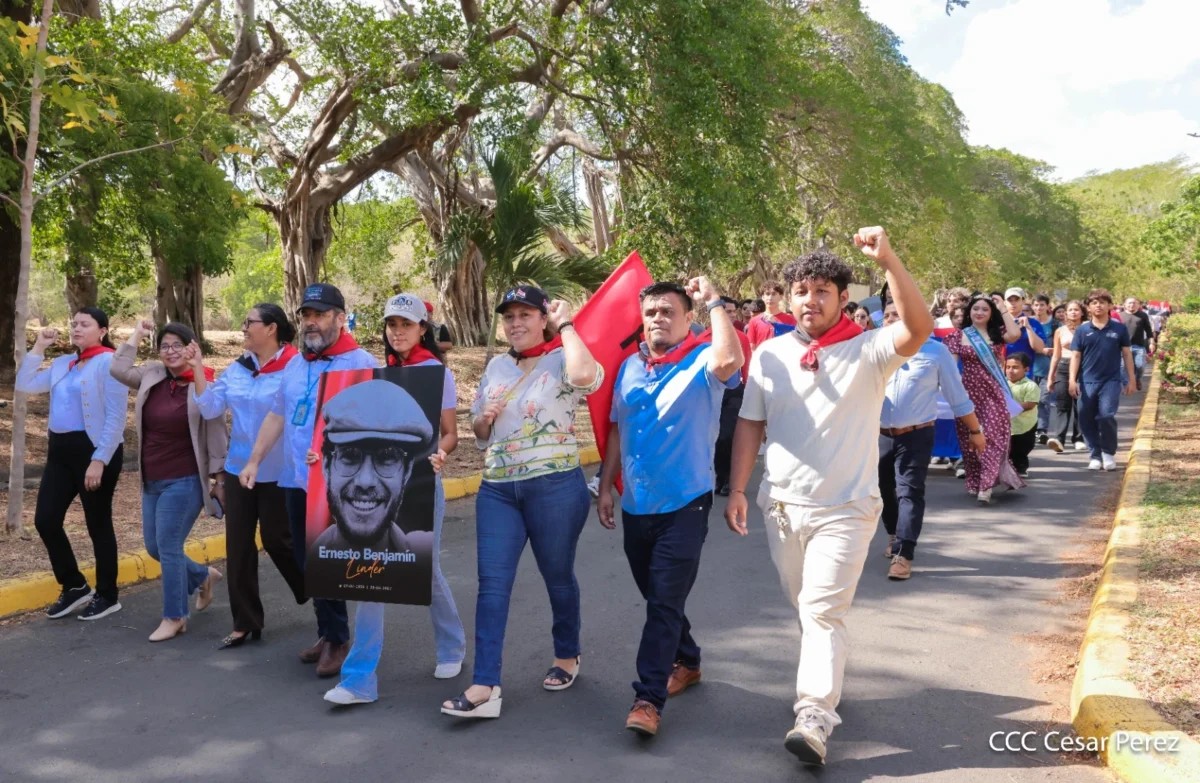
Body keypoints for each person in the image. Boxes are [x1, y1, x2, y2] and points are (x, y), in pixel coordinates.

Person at [724, 227, 932, 766]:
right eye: (801, 290)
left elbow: (917, 325)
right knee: (806, 604)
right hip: (783, 507)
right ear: (788, 298)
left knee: (820, 610)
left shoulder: (870, 349)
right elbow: (751, 424)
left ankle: (813, 715)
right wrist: (740, 490)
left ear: (844, 299)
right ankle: (829, 665)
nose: (809, 300)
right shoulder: (768, 354)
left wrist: (888, 258)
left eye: (822, 290)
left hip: (848, 508)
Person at [441, 286, 602, 720]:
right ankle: (484, 685)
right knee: (491, 585)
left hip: (554, 486)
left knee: (557, 576)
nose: (515, 323)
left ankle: (567, 654)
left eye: (525, 314)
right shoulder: (495, 366)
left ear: (543, 317)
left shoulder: (563, 356)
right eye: (508, 316)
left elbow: (588, 378)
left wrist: (567, 325)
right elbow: (479, 434)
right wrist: (482, 418)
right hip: (498, 489)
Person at [595, 277, 742, 737]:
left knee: (662, 601)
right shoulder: (630, 367)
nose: (658, 319)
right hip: (639, 506)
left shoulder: (702, 359)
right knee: (658, 595)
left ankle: (647, 699)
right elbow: (617, 428)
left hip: (686, 503)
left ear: (687, 318)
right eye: (651, 312)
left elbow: (729, 358)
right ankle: (689, 660)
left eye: (667, 311)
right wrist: (604, 486)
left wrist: (716, 300)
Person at [325, 293, 467, 706]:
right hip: (373, 492)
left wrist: (442, 453)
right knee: (372, 572)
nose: (398, 331)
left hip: (421, 484)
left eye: (406, 324)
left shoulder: (438, 375)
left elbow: (450, 433)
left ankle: (452, 644)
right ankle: (359, 680)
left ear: (423, 328)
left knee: (427, 568)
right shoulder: (376, 374)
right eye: (392, 324)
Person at [240, 282, 378, 678]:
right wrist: (254, 460)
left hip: (337, 483)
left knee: (328, 560)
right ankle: (326, 630)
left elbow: (373, 425)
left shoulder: (361, 362)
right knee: (305, 559)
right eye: (306, 315)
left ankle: (338, 639)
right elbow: (278, 415)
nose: (311, 323)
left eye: (319, 315)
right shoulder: (297, 364)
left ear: (339, 317)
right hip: (296, 479)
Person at [193, 304, 306, 650]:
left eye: (249, 323)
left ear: (271, 328)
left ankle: (313, 587)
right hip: (239, 469)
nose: (243, 328)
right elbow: (211, 408)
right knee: (238, 548)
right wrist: (197, 367)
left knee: (278, 540)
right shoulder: (238, 369)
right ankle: (245, 622)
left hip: (280, 472)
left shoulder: (296, 367)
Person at [110, 320, 227, 642]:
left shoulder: (204, 383)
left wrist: (219, 478)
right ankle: (203, 576)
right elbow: (118, 369)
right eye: (165, 346)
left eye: (178, 345)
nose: (171, 351)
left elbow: (217, 431)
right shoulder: (152, 373)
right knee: (154, 546)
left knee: (170, 547)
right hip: (152, 478)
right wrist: (136, 334)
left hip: (186, 479)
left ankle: (175, 616)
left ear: (192, 347)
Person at [16, 308, 129, 621]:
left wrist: (99, 460)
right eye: (74, 323)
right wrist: (39, 347)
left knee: (97, 523)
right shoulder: (64, 362)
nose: (76, 328)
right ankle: (75, 585)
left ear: (102, 330)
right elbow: (25, 384)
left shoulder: (110, 362)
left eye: (84, 324)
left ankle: (108, 594)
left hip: (94, 451)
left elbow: (116, 417)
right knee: (46, 519)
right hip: (60, 452)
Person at [877, 300, 983, 581]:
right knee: (882, 489)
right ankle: (893, 533)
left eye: (897, 315)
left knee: (909, 492)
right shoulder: (872, 349)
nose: (890, 320)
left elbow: (957, 397)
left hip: (917, 434)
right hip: (878, 435)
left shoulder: (936, 353)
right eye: (886, 316)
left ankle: (903, 553)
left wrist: (975, 430)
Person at [946, 295, 1025, 504]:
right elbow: (951, 368)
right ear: (969, 312)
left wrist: (1003, 308)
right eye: (975, 309)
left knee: (991, 437)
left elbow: (1015, 334)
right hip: (968, 394)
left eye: (985, 310)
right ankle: (975, 479)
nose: (979, 312)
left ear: (991, 314)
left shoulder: (997, 334)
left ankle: (986, 485)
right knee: (969, 439)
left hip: (993, 393)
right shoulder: (958, 336)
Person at [1070, 289, 1135, 472]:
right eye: (1094, 303)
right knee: (1086, 419)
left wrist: (1131, 379)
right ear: (1088, 308)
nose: (1098, 305)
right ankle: (1095, 455)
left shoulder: (1119, 329)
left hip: (1111, 381)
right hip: (1086, 382)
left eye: (1102, 302)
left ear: (1109, 306)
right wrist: (1071, 380)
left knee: (1106, 416)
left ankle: (1108, 452)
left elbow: (1127, 355)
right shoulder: (1082, 330)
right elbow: (1075, 356)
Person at [1046, 300, 1086, 453]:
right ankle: (1059, 439)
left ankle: (1078, 437)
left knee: (1080, 404)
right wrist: (1051, 376)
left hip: (1083, 368)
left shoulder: (1087, 328)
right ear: (1066, 313)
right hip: (1063, 367)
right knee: (1063, 404)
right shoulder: (1060, 331)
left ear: (1082, 312)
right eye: (1070, 310)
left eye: (1076, 310)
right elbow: (1056, 355)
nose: (1073, 312)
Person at [1005, 353, 1040, 478]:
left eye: (1015, 367)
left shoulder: (1030, 385)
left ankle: (1021, 468)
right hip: (1006, 424)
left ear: (1026, 369)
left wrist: (1010, 408)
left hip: (1025, 425)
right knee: (1007, 448)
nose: (1010, 370)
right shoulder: (1002, 384)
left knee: (1022, 448)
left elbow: (1030, 403)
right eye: (1008, 367)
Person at [1030, 293, 1059, 442]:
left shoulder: (1055, 325)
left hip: (1048, 368)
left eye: (1042, 304)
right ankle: (1029, 430)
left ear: (1048, 306)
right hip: (1028, 368)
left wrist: (1053, 351)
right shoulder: (1027, 323)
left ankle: (1041, 429)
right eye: (1036, 305)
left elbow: (1061, 345)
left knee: (1043, 400)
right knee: (1029, 401)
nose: (1039, 307)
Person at [746, 281, 797, 351]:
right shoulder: (754, 321)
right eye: (767, 294)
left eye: (774, 294)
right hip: (763, 359)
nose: (770, 297)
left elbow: (796, 342)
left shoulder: (791, 319)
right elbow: (751, 346)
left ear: (781, 297)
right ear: (763, 297)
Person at [1118, 297, 1154, 391]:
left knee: (1140, 366)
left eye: (1134, 303)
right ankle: (1127, 384)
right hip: (1122, 347)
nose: (1132, 305)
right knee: (1121, 368)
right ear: (1125, 305)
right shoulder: (1119, 316)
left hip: (1138, 346)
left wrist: (1151, 343)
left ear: (1138, 305)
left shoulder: (1143, 315)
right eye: (1129, 303)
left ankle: (1137, 379)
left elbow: (1149, 331)